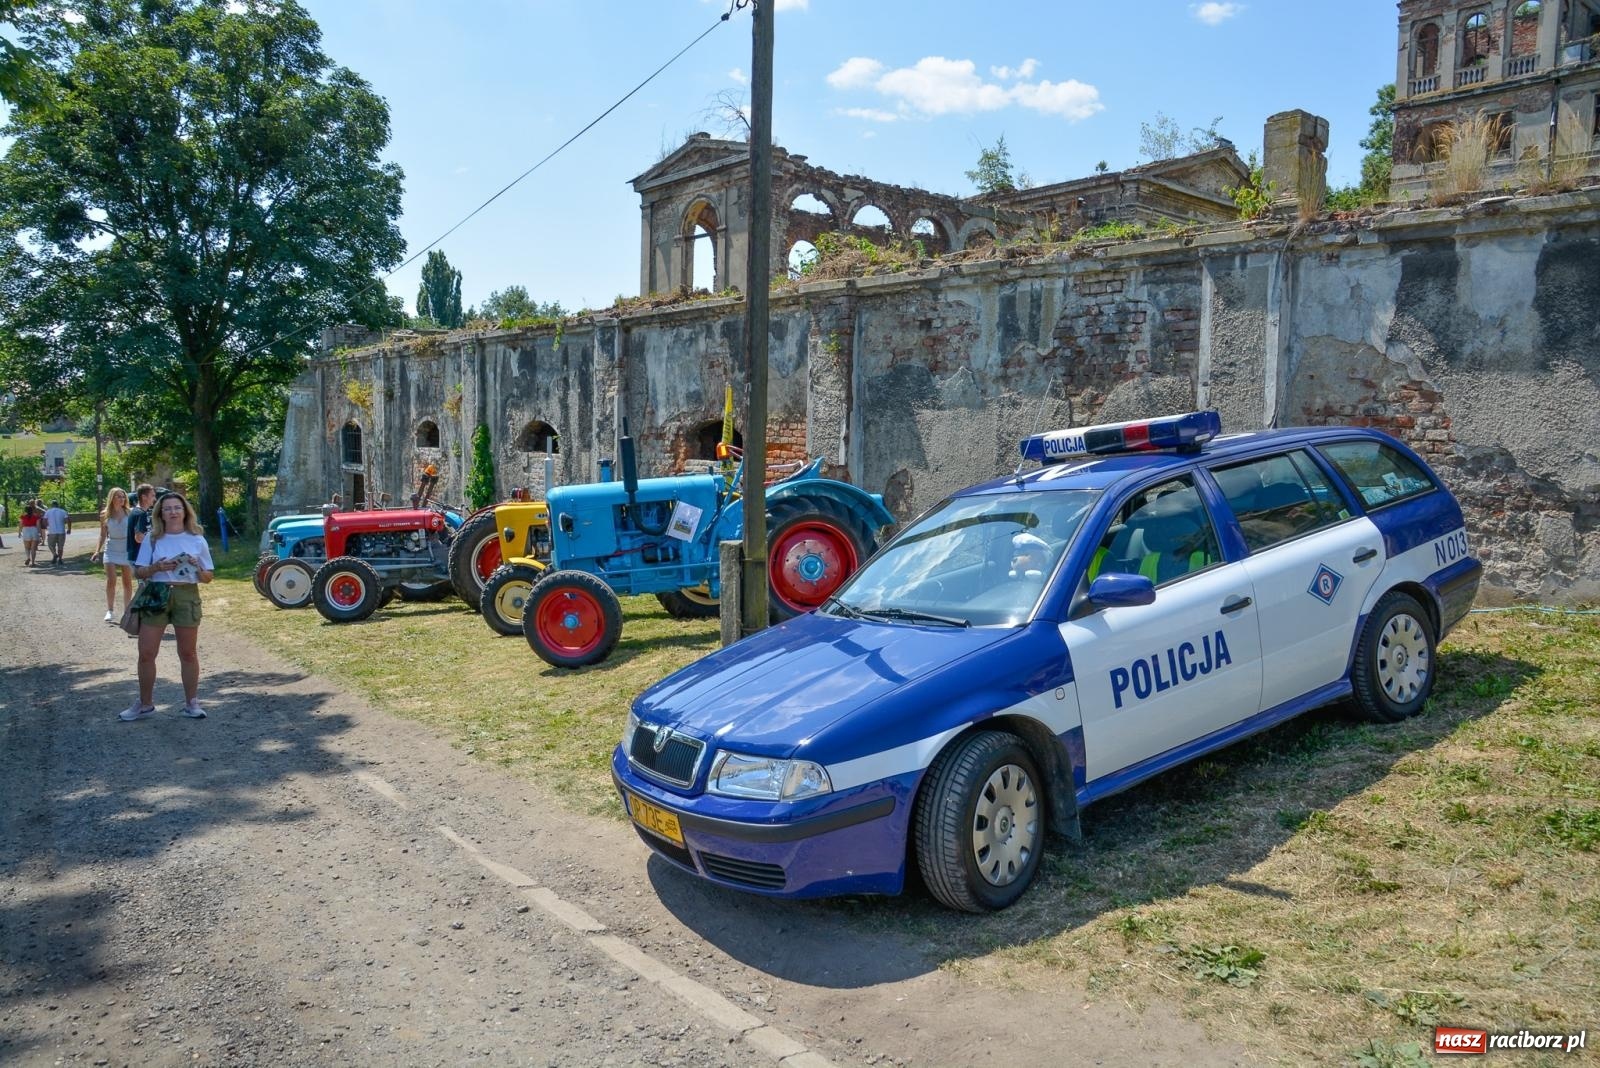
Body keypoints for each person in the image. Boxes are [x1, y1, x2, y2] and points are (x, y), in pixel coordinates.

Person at [120, 491, 215, 722]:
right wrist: (156, 568)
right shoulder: (153, 538)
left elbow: (208, 577)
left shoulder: (197, 539)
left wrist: (197, 567)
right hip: (156, 593)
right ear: (160, 513)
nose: (173, 512)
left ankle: (192, 703)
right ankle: (145, 704)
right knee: (146, 652)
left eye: (177, 508)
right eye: (167, 508)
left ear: (185, 512)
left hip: (186, 594)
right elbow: (139, 571)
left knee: (188, 653)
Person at [92, 487, 136, 623]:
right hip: (111, 548)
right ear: (112, 498)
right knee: (111, 580)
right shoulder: (104, 514)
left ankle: (127, 611)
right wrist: (97, 551)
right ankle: (110, 610)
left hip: (126, 548)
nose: (122, 499)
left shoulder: (130, 512)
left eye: (123, 496)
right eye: (118, 496)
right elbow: (102, 534)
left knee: (127, 581)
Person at [126, 483, 155, 563]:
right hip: (139, 558)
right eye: (152, 496)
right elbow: (139, 538)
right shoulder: (140, 514)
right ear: (144, 497)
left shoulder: (138, 512)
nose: (154, 498)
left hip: (137, 557)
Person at [44, 499, 70, 565]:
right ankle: (60, 559)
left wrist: (47, 527)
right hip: (61, 531)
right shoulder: (63, 511)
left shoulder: (48, 512)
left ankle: (54, 554)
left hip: (52, 531)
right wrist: (69, 529)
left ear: (51, 505)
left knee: (50, 545)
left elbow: (44, 521)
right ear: (58, 505)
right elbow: (68, 520)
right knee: (60, 546)